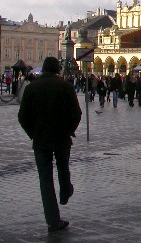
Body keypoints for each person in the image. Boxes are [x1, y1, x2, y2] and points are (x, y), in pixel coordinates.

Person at [18, 56, 82, 232]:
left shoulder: (32, 88)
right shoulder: (66, 87)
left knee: (45, 180)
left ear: (44, 69)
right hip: (62, 137)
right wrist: (69, 130)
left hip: (40, 140)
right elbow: (77, 113)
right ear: (57, 70)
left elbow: (22, 116)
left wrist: (33, 133)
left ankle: (53, 220)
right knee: (63, 167)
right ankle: (65, 190)